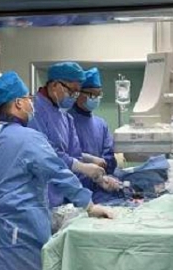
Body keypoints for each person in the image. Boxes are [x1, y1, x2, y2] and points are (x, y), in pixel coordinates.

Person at [0, 71, 112, 270]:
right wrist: (89, 205)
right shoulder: (28, 139)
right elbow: (58, 173)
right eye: (28, 98)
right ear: (18, 103)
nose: (32, 104)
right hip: (21, 230)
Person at [29, 61, 113, 205]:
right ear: (55, 85)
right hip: (37, 194)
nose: (74, 96)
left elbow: (74, 154)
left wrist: (97, 178)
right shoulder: (33, 111)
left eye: (77, 92)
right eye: (71, 91)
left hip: (59, 195)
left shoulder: (65, 117)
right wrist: (81, 167)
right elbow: (45, 154)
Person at [70, 67, 118, 177]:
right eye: (92, 95)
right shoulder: (66, 121)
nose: (95, 98)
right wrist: (89, 162)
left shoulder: (101, 124)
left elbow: (109, 156)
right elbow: (65, 155)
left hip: (99, 180)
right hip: (73, 182)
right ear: (78, 93)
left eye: (98, 95)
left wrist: (104, 165)